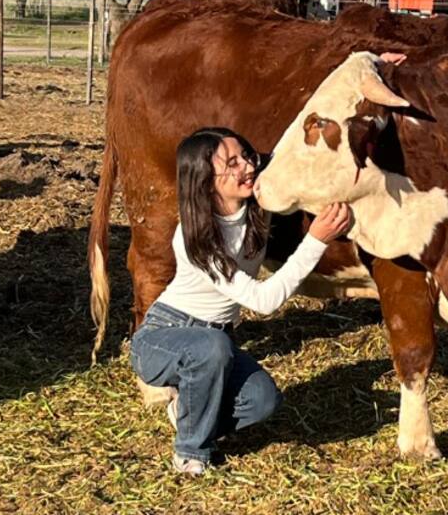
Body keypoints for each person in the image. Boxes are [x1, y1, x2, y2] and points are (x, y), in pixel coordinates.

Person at [130, 127, 351, 475]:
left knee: (263, 400)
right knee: (212, 347)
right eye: (231, 163)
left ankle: (187, 412)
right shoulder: (195, 239)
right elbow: (263, 301)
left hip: (217, 343)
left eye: (246, 156)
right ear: (204, 179)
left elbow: (289, 153)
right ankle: (191, 452)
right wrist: (316, 240)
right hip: (163, 338)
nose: (247, 166)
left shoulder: (256, 209)